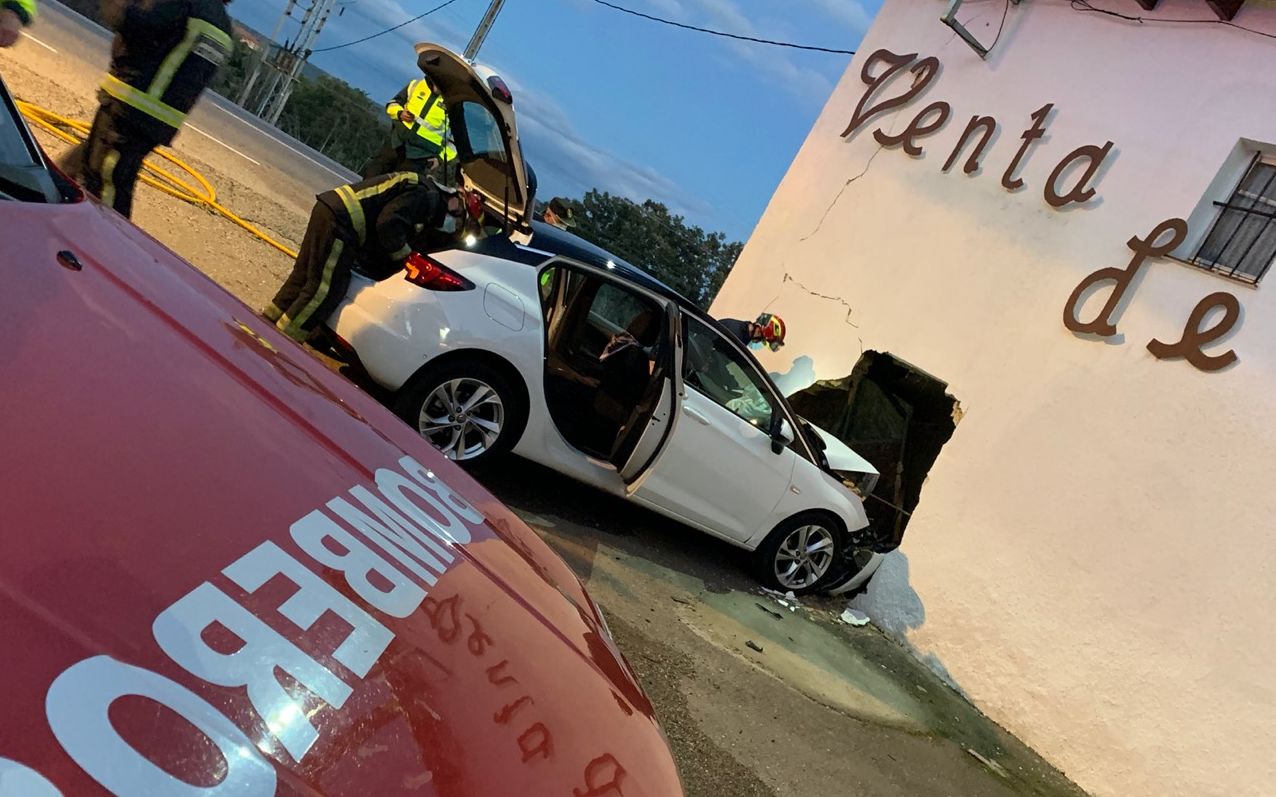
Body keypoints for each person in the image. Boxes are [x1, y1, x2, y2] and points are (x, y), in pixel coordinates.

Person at [263, 172, 481, 343]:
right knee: (326, 289)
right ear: (456, 201)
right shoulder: (424, 196)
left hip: (330, 210)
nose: (455, 225)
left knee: (303, 277)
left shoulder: (424, 190)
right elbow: (388, 224)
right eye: (460, 220)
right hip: (342, 223)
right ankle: (285, 341)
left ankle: (266, 322)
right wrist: (404, 258)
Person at [64, 0, 232, 218]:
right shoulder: (221, 25)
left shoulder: (187, 4)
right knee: (79, 168)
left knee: (107, 186)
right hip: (156, 120)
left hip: (129, 109)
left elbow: (137, 23)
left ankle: (107, 245)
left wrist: (120, 7)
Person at [362, 77, 457, 180]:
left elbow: (458, 142)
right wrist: (399, 113)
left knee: (401, 190)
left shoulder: (455, 103)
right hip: (396, 143)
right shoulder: (417, 84)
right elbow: (392, 104)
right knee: (371, 176)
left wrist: (440, 159)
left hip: (420, 156)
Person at [719, 313, 787, 352]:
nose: (761, 344)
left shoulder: (741, 334)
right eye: (763, 341)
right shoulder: (736, 335)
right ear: (760, 333)